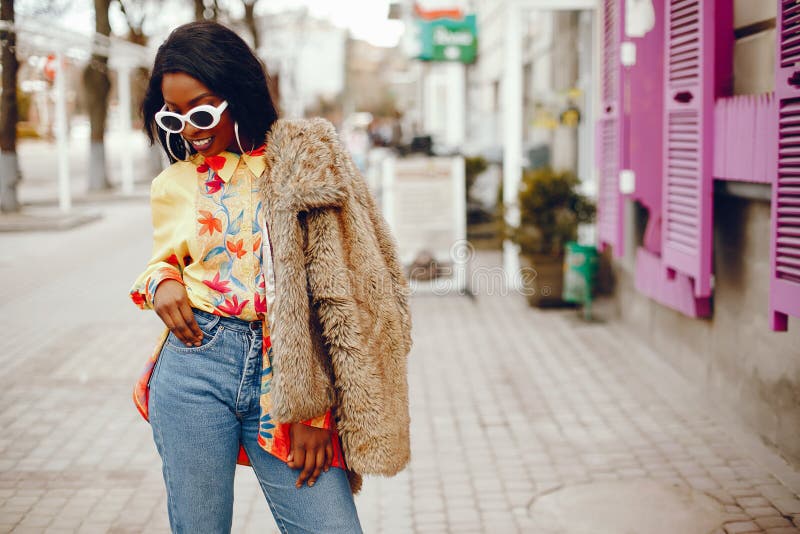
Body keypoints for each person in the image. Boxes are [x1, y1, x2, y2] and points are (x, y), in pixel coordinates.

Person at [130, 21, 412, 534]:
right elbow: (165, 260)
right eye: (173, 119)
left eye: (201, 111)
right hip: (194, 366)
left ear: (238, 94)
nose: (190, 131)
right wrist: (160, 283)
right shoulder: (173, 184)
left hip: (287, 375)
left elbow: (342, 292)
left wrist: (314, 409)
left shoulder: (302, 167)